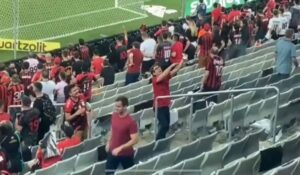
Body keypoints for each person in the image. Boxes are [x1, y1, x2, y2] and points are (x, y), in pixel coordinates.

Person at [105, 96, 138, 175]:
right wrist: (108, 142)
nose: (116, 108)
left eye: (118, 106)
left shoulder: (131, 122)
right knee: (108, 173)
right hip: (112, 151)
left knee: (129, 173)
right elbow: (112, 129)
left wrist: (120, 148)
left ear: (125, 106)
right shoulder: (114, 115)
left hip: (126, 154)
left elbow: (135, 140)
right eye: (115, 106)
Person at [151, 62, 182, 140]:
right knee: (164, 125)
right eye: (156, 69)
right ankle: (157, 141)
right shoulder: (154, 79)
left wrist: (182, 61)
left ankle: (162, 140)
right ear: (153, 73)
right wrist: (171, 65)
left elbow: (176, 70)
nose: (159, 69)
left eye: (159, 67)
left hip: (165, 105)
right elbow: (164, 75)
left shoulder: (165, 77)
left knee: (167, 125)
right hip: (158, 106)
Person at [15, 95, 40, 161]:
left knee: (26, 156)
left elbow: (18, 128)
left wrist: (17, 118)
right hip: (36, 135)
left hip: (27, 139)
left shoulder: (21, 115)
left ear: (22, 103)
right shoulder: (36, 111)